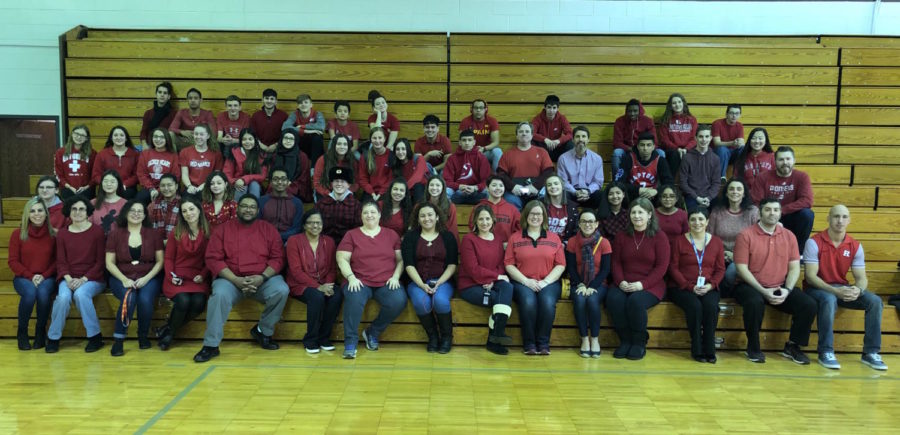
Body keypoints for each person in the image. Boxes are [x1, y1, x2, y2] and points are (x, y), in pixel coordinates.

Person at [194, 195, 290, 363]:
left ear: (258, 210)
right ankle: (211, 345)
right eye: (244, 206)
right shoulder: (223, 229)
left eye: (252, 207)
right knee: (219, 296)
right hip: (231, 280)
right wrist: (236, 280)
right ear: (237, 209)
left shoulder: (268, 229)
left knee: (281, 289)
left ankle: (263, 331)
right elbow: (213, 259)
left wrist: (262, 277)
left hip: (262, 280)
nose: (248, 209)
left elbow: (278, 258)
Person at [803, 205, 887, 370]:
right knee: (829, 299)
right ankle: (825, 351)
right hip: (817, 289)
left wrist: (858, 290)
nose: (840, 221)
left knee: (875, 301)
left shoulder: (855, 245)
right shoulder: (814, 242)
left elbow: (861, 278)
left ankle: (870, 352)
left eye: (844, 217)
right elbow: (810, 277)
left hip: (842, 287)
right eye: (836, 216)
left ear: (849, 220)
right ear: (828, 218)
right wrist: (836, 291)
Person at [733, 198, 816, 364]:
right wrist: (763, 291)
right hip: (750, 286)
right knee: (754, 303)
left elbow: (794, 268)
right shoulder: (746, 235)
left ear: (780, 213)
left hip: (779, 286)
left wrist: (788, 290)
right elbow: (741, 269)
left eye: (776, 210)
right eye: (768, 210)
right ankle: (753, 347)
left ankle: (793, 346)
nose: (772, 213)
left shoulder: (789, 236)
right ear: (760, 212)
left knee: (809, 304)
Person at [336, 201, 406, 359]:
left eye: (373, 212)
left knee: (398, 300)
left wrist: (395, 277)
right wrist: (351, 277)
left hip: (386, 281)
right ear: (361, 216)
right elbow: (342, 259)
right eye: (366, 212)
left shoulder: (391, 234)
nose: (369, 215)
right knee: (353, 298)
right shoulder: (352, 235)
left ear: (380, 215)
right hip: (359, 281)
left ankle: (373, 332)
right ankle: (350, 343)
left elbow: (401, 260)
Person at [607, 197, 671, 360]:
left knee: (635, 301)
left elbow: (661, 267)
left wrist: (642, 285)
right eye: (633, 212)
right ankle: (625, 340)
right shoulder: (622, 236)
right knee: (614, 299)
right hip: (623, 282)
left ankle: (639, 342)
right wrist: (620, 281)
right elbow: (616, 262)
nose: (636, 216)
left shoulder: (660, 237)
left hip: (651, 284)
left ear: (649, 215)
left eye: (640, 212)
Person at [45, 195, 106, 354]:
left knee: (80, 295)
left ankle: (95, 337)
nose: (77, 212)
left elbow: (100, 262)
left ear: (88, 212)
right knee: (63, 297)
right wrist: (69, 279)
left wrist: (83, 279)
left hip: (92, 278)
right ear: (68, 211)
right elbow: (61, 262)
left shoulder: (97, 232)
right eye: (74, 209)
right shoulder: (63, 234)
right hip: (68, 277)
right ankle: (53, 337)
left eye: (81, 209)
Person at [505, 200, 566, 355]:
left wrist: (545, 282)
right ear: (526, 216)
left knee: (547, 302)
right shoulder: (515, 238)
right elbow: (509, 264)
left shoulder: (554, 238)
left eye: (539, 214)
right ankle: (529, 344)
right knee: (528, 302)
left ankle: (543, 343)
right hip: (522, 282)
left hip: (549, 282)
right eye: (532, 213)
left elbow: (560, 265)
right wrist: (526, 281)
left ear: (544, 217)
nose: (535, 217)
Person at [105, 200, 165, 356]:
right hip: (121, 276)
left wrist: (146, 278)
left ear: (145, 215)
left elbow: (160, 262)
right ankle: (118, 340)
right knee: (129, 297)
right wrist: (124, 279)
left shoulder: (154, 234)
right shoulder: (115, 233)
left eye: (140, 211)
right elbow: (110, 263)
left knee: (145, 299)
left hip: (149, 275)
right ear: (125, 212)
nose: (136, 214)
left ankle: (143, 335)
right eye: (132, 210)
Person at [667, 207, 726, 363]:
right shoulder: (679, 241)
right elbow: (673, 267)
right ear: (688, 222)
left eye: (701, 219)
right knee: (694, 306)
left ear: (707, 222)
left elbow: (720, 269)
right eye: (693, 219)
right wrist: (688, 286)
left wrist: (711, 285)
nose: (697, 223)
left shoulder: (717, 242)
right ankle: (697, 346)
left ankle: (709, 347)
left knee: (711, 306)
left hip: (708, 286)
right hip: (682, 287)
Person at [458, 205, 515, 355]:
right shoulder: (469, 239)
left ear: (493, 220)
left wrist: (493, 280)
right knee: (498, 298)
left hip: (491, 282)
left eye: (487, 218)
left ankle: (496, 335)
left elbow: (500, 265)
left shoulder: (498, 239)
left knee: (508, 288)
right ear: (475, 221)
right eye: (480, 219)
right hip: (470, 285)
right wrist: (494, 277)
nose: (484, 222)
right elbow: (472, 269)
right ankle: (493, 339)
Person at [403, 203, 459, 353]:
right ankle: (433, 337)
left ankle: (447, 338)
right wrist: (422, 285)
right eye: (422, 215)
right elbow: (409, 265)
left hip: (443, 281)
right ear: (418, 219)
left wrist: (439, 282)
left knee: (440, 301)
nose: (426, 218)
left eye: (430, 215)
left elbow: (452, 264)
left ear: (437, 217)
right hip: (417, 282)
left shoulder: (448, 236)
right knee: (422, 302)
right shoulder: (410, 237)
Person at [286, 209, 342, 354]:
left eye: (318, 223)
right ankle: (310, 339)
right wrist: (318, 287)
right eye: (310, 223)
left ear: (322, 225)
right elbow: (296, 271)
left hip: (324, 282)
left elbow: (331, 268)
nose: (315, 226)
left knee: (336, 295)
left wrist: (328, 285)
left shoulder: (328, 242)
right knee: (317, 297)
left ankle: (324, 338)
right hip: (300, 284)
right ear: (304, 225)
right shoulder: (294, 241)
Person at [159, 196, 210, 351]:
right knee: (183, 301)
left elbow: (211, 259)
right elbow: (168, 258)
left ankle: (167, 329)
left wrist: (203, 274)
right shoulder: (177, 231)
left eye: (191, 209)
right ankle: (169, 335)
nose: (188, 213)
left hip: (197, 278)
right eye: (184, 211)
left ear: (199, 210)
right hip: (177, 277)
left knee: (199, 303)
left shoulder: (208, 232)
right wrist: (171, 276)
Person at [8, 198, 56, 350]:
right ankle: (22, 333)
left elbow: (57, 261)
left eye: (40, 210)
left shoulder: (53, 235)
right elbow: (13, 261)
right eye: (33, 211)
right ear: (27, 214)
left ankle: (40, 332)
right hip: (23, 277)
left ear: (46, 214)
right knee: (29, 294)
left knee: (42, 294)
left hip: (47, 276)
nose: (37, 214)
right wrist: (31, 275)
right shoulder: (18, 234)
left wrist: (43, 275)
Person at [565, 210, 611, 358]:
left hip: (598, 283)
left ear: (597, 224)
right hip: (578, 283)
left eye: (591, 221)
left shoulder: (604, 242)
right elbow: (571, 267)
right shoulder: (572, 242)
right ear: (579, 224)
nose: (587, 224)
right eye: (584, 221)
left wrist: (592, 286)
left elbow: (605, 269)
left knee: (592, 301)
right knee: (579, 301)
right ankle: (584, 339)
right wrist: (581, 285)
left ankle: (595, 339)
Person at [751, 146, 815, 254]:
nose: (785, 162)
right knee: (755, 212)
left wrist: (782, 210)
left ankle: (798, 252)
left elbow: (807, 200)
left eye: (788, 159)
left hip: (791, 217)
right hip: (768, 216)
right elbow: (757, 201)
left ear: (794, 160)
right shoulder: (763, 177)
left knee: (807, 214)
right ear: (775, 162)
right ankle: (762, 251)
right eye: (781, 159)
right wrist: (774, 214)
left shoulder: (802, 176)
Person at [708, 178, 759, 294]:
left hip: (744, 257)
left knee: (732, 270)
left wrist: (735, 255)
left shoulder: (753, 212)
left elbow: (757, 241)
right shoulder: (717, 211)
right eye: (731, 189)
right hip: (719, 255)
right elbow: (709, 236)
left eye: (739, 189)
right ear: (726, 193)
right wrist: (721, 254)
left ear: (744, 193)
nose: (735, 191)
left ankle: (728, 292)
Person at [497, 121, 555, 210]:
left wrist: (536, 186)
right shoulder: (507, 154)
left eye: (527, 131)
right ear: (516, 135)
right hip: (514, 191)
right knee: (510, 204)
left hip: (536, 191)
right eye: (521, 131)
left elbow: (548, 172)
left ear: (532, 136)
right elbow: (501, 174)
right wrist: (512, 187)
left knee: (540, 206)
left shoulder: (542, 152)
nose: (524, 134)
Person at [615, 132, 673, 202]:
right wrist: (638, 190)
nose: (645, 148)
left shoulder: (660, 160)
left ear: (653, 147)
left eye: (648, 145)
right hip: (632, 195)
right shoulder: (628, 159)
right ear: (638, 146)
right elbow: (618, 183)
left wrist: (656, 191)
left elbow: (669, 183)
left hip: (652, 196)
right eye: (642, 145)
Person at [556, 126, 604, 209]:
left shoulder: (597, 158)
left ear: (588, 140)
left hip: (589, 193)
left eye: (583, 136)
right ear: (573, 140)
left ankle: (594, 220)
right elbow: (563, 181)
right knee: (562, 195)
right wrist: (575, 192)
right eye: (577, 136)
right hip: (571, 192)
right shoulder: (563, 158)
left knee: (601, 195)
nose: (581, 139)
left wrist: (588, 191)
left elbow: (598, 182)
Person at [679, 124, 721, 210]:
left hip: (709, 197)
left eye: (706, 136)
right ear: (695, 138)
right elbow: (683, 182)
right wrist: (697, 198)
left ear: (711, 138)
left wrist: (708, 197)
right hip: (692, 197)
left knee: (719, 211)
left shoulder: (715, 158)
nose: (704, 139)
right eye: (701, 136)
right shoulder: (687, 157)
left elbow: (716, 183)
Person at [443, 129, 490, 205]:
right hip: (457, 191)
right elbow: (446, 181)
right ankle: (448, 215)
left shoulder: (481, 158)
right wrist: (459, 186)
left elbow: (486, 181)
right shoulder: (452, 158)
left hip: (476, 191)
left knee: (489, 191)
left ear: (474, 142)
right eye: (464, 140)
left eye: (469, 140)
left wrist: (475, 187)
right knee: (445, 192)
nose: (467, 143)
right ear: (460, 143)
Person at [259, 167, 305, 244]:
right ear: (270, 182)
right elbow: (258, 225)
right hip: (265, 240)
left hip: (288, 241)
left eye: (283, 179)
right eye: (276, 179)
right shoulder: (261, 201)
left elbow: (296, 228)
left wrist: (279, 237)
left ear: (288, 182)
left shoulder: (297, 203)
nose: (280, 182)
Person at [92, 126, 140, 199]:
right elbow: (96, 175)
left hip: (126, 188)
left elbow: (137, 175)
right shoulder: (102, 154)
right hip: (106, 187)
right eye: (115, 135)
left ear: (126, 138)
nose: (118, 137)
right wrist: (108, 184)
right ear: (111, 138)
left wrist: (124, 184)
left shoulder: (135, 154)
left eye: (121, 135)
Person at [612, 99, 656, 175]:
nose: (632, 114)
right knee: (617, 153)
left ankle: (659, 184)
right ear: (626, 111)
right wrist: (630, 149)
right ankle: (616, 182)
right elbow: (617, 142)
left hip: (643, 148)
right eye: (630, 111)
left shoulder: (648, 121)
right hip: (626, 149)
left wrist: (642, 149)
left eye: (635, 111)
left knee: (661, 153)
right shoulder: (620, 121)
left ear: (640, 111)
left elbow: (654, 140)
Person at [136, 127, 180, 204]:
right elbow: (141, 174)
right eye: (155, 137)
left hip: (168, 188)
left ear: (167, 139)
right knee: (139, 199)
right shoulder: (145, 154)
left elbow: (176, 176)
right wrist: (151, 189)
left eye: (162, 137)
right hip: (149, 188)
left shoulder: (173, 156)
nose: (158, 139)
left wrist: (160, 190)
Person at [473, 175, 521, 245]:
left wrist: (510, 243)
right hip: (483, 248)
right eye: (494, 185)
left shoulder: (512, 209)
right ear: (487, 188)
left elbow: (519, 230)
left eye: (501, 186)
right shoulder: (479, 207)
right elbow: (473, 228)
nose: (498, 188)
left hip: (505, 249)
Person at [657, 93, 698, 176]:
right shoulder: (665, 120)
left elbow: (694, 138)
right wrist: (677, 149)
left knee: (696, 154)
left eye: (679, 102)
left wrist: (686, 149)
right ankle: (670, 184)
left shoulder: (692, 119)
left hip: (688, 148)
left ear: (683, 103)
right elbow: (664, 140)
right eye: (674, 103)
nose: (677, 105)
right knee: (674, 155)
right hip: (671, 150)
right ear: (670, 106)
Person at [317, 167, 362, 243]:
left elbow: (358, 229)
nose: (339, 184)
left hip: (348, 243)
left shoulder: (356, 205)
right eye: (336, 181)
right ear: (331, 184)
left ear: (348, 185)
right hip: (324, 243)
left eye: (343, 181)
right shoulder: (321, 203)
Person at [179, 124, 224, 197]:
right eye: (196, 134)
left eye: (201, 134)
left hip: (208, 187)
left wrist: (204, 185)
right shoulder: (184, 152)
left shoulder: (216, 154)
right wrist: (189, 186)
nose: (198, 137)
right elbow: (184, 174)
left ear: (208, 136)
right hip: (190, 187)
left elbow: (216, 174)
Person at [458, 98, 502, 171]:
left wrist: (484, 148)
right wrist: (473, 150)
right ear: (471, 110)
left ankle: (496, 178)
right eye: (476, 108)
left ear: (486, 109)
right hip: (469, 151)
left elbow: (496, 142)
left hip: (485, 151)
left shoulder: (492, 121)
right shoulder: (465, 121)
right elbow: (462, 142)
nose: (478, 110)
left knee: (497, 151)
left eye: (481, 108)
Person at [282, 93, 326, 165]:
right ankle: (294, 165)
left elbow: (321, 126)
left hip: (314, 145)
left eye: (306, 102)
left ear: (311, 105)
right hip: (301, 143)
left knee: (318, 137)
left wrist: (303, 126)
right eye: (300, 103)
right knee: (290, 136)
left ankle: (314, 167)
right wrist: (305, 131)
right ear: (298, 106)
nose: (303, 105)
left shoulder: (317, 114)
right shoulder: (294, 114)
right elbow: (285, 127)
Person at [224, 128, 267, 201]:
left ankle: (254, 209)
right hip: (236, 184)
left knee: (254, 185)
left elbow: (262, 175)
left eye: (250, 139)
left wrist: (245, 179)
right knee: (243, 187)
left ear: (255, 140)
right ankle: (236, 209)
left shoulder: (261, 154)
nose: (247, 142)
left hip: (254, 184)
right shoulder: (233, 153)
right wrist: (235, 182)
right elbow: (227, 174)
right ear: (241, 141)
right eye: (244, 139)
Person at [270, 130, 313, 203]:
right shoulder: (276, 155)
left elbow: (304, 177)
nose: (288, 141)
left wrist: (290, 183)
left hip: (295, 186)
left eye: (291, 139)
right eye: (286, 138)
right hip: (277, 183)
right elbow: (271, 174)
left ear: (295, 140)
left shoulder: (302, 156)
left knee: (286, 194)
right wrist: (280, 182)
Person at [55, 124, 96, 200]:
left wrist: (86, 187)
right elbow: (58, 173)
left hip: (86, 191)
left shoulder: (92, 154)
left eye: (82, 135)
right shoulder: (60, 152)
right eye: (76, 134)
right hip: (67, 190)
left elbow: (95, 174)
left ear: (87, 138)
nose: (79, 137)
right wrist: (68, 186)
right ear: (72, 134)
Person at [531, 94, 573, 162]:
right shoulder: (537, 118)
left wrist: (559, 141)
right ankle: (536, 163)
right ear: (545, 107)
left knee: (570, 143)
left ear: (557, 108)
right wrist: (545, 139)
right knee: (530, 140)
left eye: (554, 108)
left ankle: (568, 164)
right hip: (542, 150)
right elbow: (531, 133)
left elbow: (570, 134)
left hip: (557, 149)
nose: (551, 110)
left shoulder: (562, 118)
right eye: (549, 107)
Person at [313, 134, 358, 200]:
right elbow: (317, 182)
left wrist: (346, 192)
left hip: (345, 192)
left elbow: (356, 182)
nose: (342, 147)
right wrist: (329, 194)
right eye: (339, 144)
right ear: (334, 145)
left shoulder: (352, 161)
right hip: (326, 192)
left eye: (345, 144)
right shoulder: (323, 159)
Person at [733, 127, 774, 194]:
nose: (757, 141)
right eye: (754, 138)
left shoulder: (772, 157)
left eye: (760, 138)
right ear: (749, 140)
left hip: (767, 196)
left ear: (766, 141)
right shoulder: (742, 158)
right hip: (747, 196)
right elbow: (736, 179)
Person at [358, 127, 393, 202]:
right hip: (370, 193)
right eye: (374, 138)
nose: (377, 141)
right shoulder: (365, 156)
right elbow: (362, 178)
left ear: (384, 139)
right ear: (370, 139)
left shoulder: (391, 155)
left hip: (386, 192)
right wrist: (372, 193)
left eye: (380, 138)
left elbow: (391, 179)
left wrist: (380, 194)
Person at [249, 88, 289, 154]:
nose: (269, 101)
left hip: (279, 149)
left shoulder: (283, 115)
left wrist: (276, 145)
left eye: (272, 99)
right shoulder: (256, 115)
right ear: (262, 100)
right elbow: (252, 133)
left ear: (276, 101)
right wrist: (261, 145)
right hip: (259, 148)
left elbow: (286, 133)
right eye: (267, 98)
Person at [712, 104, 745, 180]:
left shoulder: (739, 125)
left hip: (733, 153)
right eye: (731, 113)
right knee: (722, 149)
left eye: (737, 114)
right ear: (726, 114)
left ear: (740, 115)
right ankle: (721, 177)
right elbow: (716, 143)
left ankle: (736, 176)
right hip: (719, 153)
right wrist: (732, 143)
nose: (734, 116)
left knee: (743, 149)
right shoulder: (717, 123)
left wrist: (738, 143)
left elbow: (742, 142)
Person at [542, 175, 578, 243]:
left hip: (564, 245)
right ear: (546, 189)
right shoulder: (540, 205)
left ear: (562, 186)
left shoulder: (572, 207)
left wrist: (565, 244)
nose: (553, 186)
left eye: (556, 183)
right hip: (544, 243)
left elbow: (575, 231)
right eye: (549, 185)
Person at [139, 82, 176, 149]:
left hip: (166, 147)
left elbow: (173, 134)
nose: (162, 95)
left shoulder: (174, 114)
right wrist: (144, 145)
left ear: (169, 97)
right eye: (160, 92)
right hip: (149, 145)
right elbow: (143, 132)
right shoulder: (148, 113)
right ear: (156, 94)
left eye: (165, 93)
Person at [90, 170, 127, 234]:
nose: (109, 184)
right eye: (105, 181)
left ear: (118, 183)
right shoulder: (92, 203)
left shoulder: (126, 204)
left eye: (112, 182)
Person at [147, 174, 181, 241]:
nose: (166, 188)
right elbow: (146, 228)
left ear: (176, 186)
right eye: (163, 185)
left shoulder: (183, 204)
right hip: (156, 244)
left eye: (169, 185)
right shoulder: (153, 205)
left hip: (177, 243)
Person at [424, 175, 459, 239]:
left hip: (444, 241)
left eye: (438, 185)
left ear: (443, 188)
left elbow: (453, 230)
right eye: (431, 185)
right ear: (427, 187)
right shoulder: (420, 205)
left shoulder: (450, 207)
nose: (434, 188)